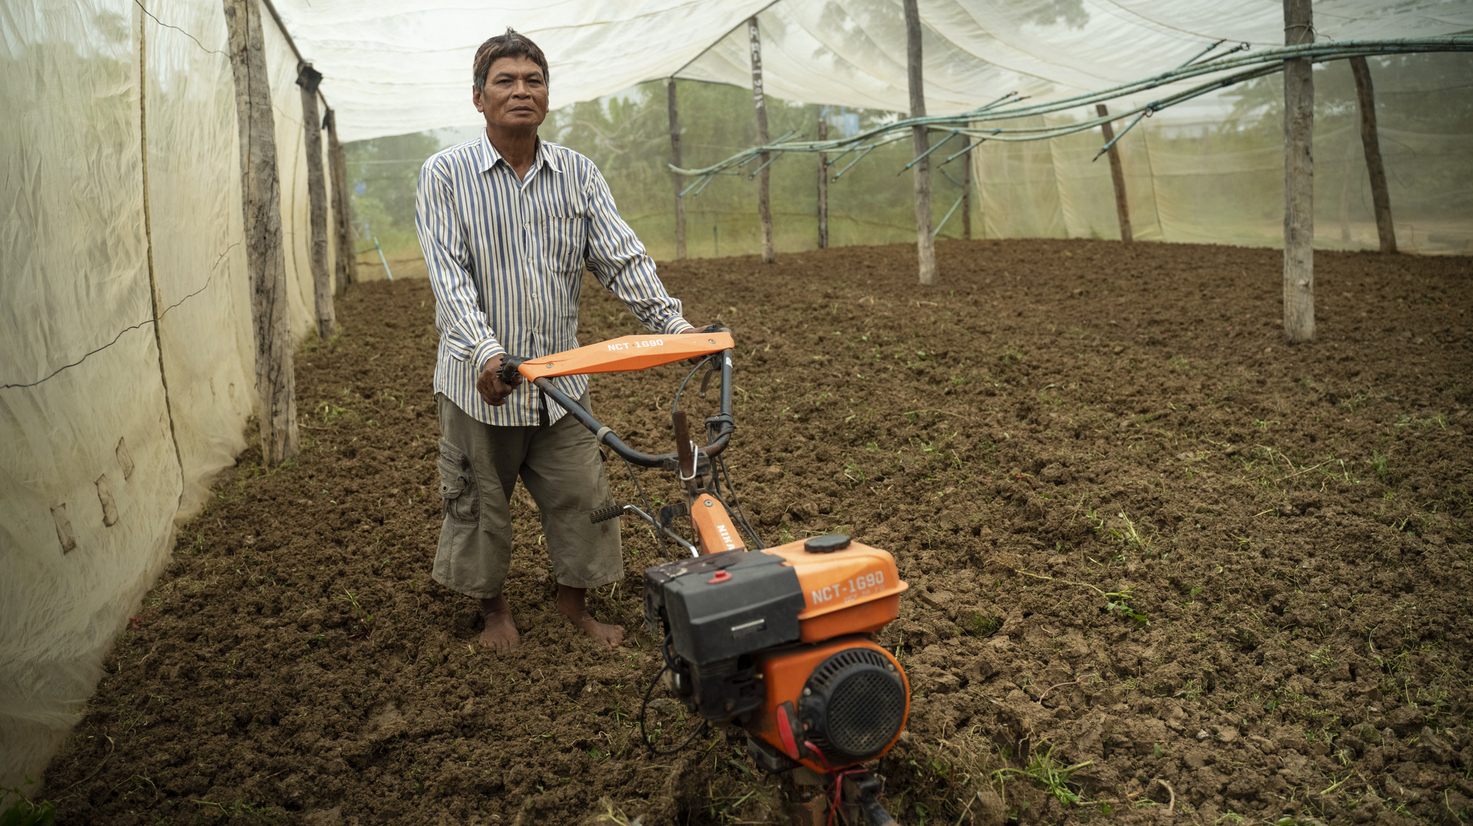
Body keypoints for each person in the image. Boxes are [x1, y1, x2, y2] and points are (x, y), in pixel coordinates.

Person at [415, 29, 700, 652]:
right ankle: (495, 613)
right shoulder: (445, 175)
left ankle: (575, 610)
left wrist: (675, 328)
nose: (521, 91)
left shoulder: (577, 174)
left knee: (582, 497)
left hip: (560, 384)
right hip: (479, 384)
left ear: (547, 95)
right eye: (505, 81)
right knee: (479, 500)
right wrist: (486, 352)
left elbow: (622, 260)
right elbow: (450, 277)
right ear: (478, 97)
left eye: (533, 80)